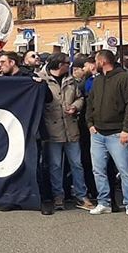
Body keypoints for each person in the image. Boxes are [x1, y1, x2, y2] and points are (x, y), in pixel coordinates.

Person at [85, 49, 128, 219]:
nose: (94, 63)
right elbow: (90, 101)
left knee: (125, 170)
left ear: (102, 61)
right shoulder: (98, 80)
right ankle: (104, 202)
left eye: (96, 59)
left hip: (117, 132)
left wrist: (126, 129)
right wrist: (90, 123)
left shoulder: (124, 78)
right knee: (98, 170)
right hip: (97, 132)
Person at [41, 55, 92, 210]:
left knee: (77, 164)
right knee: (55, 165)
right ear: (59, 64)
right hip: (53, 128)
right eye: (67, 64)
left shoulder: (70, 80)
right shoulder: (42, 80)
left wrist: (75, 106)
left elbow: (80, 97)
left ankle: (81, 195)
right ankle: (58, 196)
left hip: (70, 127)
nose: (70, 66)